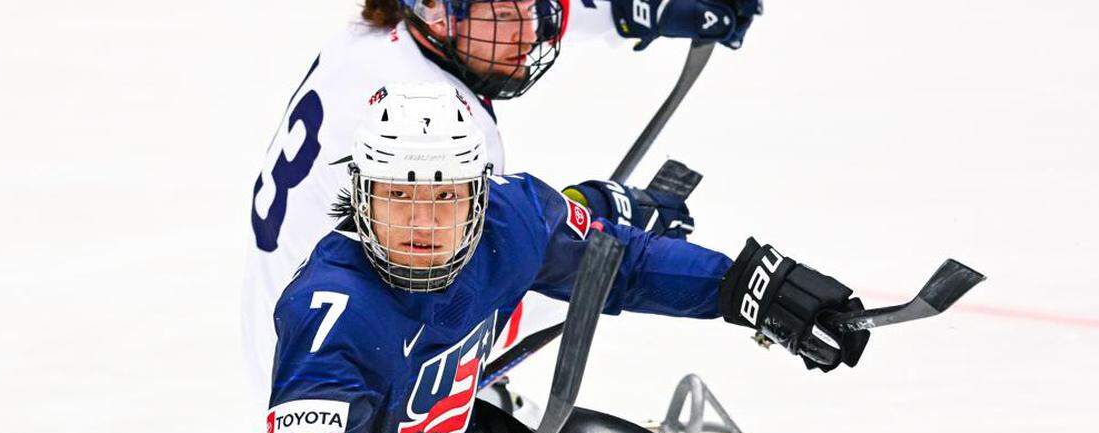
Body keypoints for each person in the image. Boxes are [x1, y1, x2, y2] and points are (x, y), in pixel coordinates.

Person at [265, 83, 867, 433]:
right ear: (362, 196)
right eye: (399, 196)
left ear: (480, 195)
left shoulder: (510, 219)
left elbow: (620, 262)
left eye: (445, 197)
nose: (423, 225)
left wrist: (745, 289)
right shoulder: (332, 309)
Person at [244, 0, 763, 411]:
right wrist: (596, 225)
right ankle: (453, 414)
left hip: (313, 324)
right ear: (437, 12)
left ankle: (472, 400)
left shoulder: (374, 39)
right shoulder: (429, 114)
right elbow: (491, 276)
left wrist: (632, 8)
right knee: (569, 278)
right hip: (345, 384)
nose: (529, 34)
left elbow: (498, 13)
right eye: (508, 17)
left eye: (534, 10)